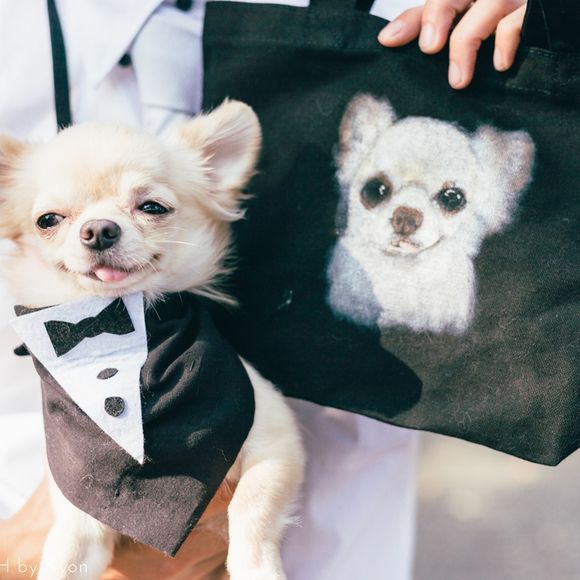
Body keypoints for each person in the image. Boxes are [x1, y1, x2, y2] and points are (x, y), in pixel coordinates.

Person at [0, 1, 527, 578]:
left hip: (333, 517)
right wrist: (19, 555)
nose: (98, 230)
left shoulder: (402, 15)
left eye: (149, 206)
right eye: (52, 219)